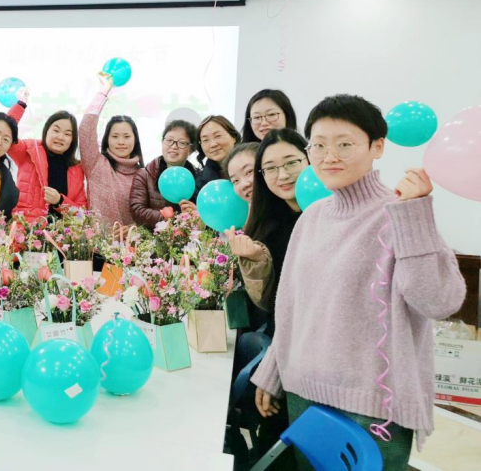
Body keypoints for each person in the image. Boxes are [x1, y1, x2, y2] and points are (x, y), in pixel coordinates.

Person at [251, 95, 466, 468]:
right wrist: (272, 372)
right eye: (318, 145)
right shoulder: (312, 217)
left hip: (373, 407)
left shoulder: (402, 213)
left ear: (377, 147)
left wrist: (414, 215)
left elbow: (438, 302)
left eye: (345, 144)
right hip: (303, 393)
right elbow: (291, 307)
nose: (329, 156)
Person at [225, 130, 308, 333]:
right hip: (284, 333)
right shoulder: (262, 225)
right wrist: (255, 260)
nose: (282, 175)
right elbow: (268, 300)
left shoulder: (331, 212)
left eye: (291, 163)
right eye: (235, 180)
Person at [80, 75, 144, 226]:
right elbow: (85, 128)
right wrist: (104, 90)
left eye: (126, 136)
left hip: (134, 241)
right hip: (97, 241)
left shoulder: (143, 175)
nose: (121, 142)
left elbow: (148, 218)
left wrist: (135, 229)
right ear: (107, 139)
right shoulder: (96, 164)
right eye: (115, 136)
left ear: (135, 140)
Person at [8, 104, 88, 221]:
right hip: (27, 228)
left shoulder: (77, 168)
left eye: (67, 134)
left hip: (62, 231)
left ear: (73, 139)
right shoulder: (29, 150)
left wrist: (60, 201)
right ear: (46, 130)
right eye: (56, 130)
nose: (60, 137)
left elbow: (82, 214)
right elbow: (7, 133)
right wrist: (20, 105)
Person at [130, 120, 198, 229]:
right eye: (169, 140)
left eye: (181, 143)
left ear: (191, 149)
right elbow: (137, 210)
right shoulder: (144, 175)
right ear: (162, 142)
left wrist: (195, 213)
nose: (174, 146)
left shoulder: (198, 177)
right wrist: (171, 217)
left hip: (191, 238)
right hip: (153, 237)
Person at [194, 115, 240, 191]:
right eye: (205, 140)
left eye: (218, 136)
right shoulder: (200, 181)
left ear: (233, 137)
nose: (213, 144)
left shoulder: (252, 166)